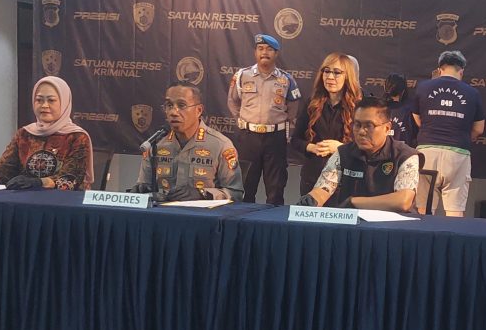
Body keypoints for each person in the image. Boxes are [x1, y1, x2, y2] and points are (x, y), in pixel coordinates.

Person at [297, 96, 421, 212]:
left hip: (396, 225)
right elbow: (323, 189)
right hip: (353, 223)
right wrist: (311, 199)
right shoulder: (343, 153)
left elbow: (403, 201)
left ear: (387, 128)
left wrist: (354, 202)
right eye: (357, 125)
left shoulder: (406, 155)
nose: (361, 131)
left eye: (369, 126)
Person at [131, 81, 243, 201]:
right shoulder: (156, 144)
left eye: (182, 105)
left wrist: (203, 194)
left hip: (201, 212)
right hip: (163, 210)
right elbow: (144, 184)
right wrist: (141, 189)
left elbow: (236, 193)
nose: (173, 112)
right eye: (169, 105)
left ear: (198, 110)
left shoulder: (220, 145)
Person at [227, 33, 300, 204]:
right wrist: (242, 120)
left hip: (275, 138)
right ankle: (242, 219)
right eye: (260, 48)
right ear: (255, 52)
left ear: (276, 53)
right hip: (248, 137)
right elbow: (233, 101)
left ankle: (273, 219)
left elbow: (293, 107)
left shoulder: (286, 79)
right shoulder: (242, 76)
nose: (264, 52)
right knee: (245, 186)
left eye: (269, 49)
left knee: (275, 189)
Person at [0, 77, 94, 190]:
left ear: (64, 102)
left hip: (64, 199)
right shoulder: (24, 134)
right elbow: (5, 169)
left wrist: (40, 182)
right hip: (25, 197)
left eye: (51, 100)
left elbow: (71, 178)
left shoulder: (77, 137)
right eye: (39, 100)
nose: (44, 105)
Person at [411, 50, 484, 216]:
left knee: (423, 210)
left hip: (426, 152)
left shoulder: (423, 87)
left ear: (439, 69)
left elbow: (417, 118)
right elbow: (479, 128)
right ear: (461, 71)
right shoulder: (472, 93)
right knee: (455, 211)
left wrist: (430, 128)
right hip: (458, 154)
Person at [291, 52, 362, 198]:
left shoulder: (360, 107)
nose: (330, 77)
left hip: (344, 180)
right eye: (326, 71)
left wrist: (340, 148)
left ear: (347, 76)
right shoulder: (312, 103)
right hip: (312, 178)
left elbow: (367, 148)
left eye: (336, 72)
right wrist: (312, 147)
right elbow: (295, 140)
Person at [384, 73, 417, 146]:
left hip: (381, 150)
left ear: (384, 88)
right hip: (403, 150)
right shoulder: (410, 110)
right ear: (403, 91)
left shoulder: (377, 108)